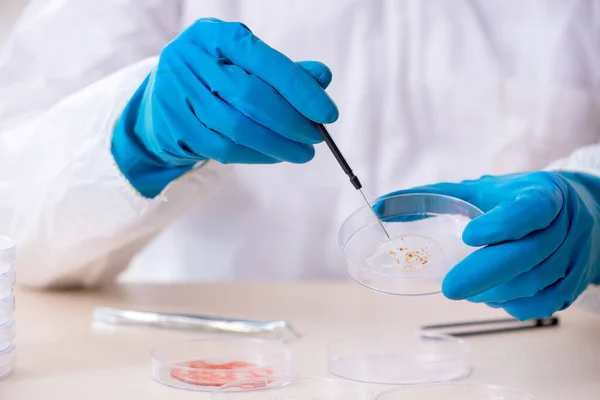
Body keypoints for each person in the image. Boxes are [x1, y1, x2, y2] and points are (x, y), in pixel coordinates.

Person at [0, 0, 598, 320]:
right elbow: (11, 212)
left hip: (506, 353)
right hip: (222, 355)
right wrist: (135, 134)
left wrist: (591, 205)